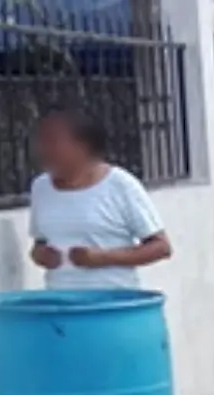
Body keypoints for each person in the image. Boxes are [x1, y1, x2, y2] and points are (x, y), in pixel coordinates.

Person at [28, 106, 172, 291]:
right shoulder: (41, 188)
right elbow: (39, 243)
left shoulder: (120, 185)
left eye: (52, 141)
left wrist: (103, 258)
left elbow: (161, 247)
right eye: (41, 141)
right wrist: (40, 255)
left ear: (82, 146)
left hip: (111, 306)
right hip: (60, 304)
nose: (43, 149)